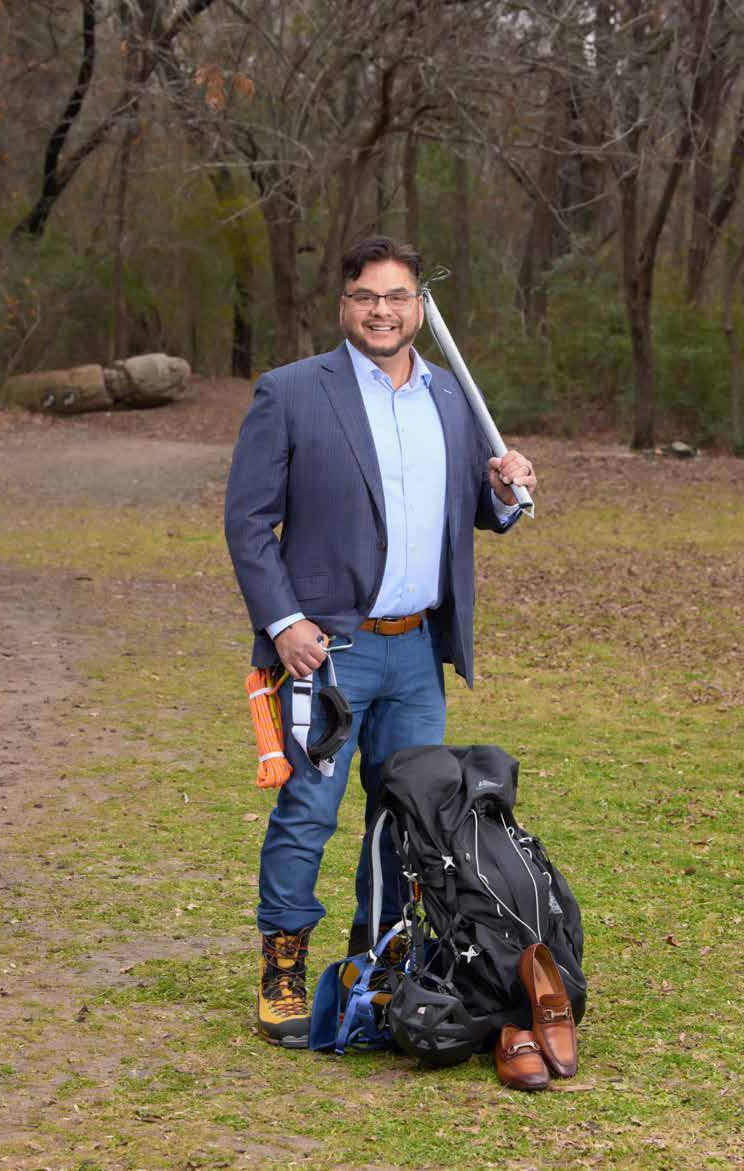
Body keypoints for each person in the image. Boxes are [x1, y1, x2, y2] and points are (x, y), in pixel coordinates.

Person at [224, 236, 537, 1047]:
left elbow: (474, 508)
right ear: (344, 305)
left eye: (397, 296)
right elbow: (248, 522)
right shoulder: (292, 393)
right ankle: (283, 969)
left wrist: (504, 492)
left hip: (416, 652)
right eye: (366, 295)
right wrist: (284, 623)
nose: (381, 310)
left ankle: (382, 964)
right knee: (307, 811)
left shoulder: (451, 398)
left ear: (418, 308)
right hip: (327, 651)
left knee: (410, 819)